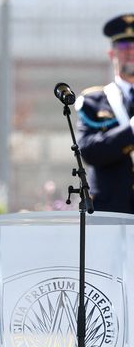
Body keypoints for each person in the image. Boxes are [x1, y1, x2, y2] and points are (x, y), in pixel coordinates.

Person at [76, 14, 134, 214]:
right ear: (112, 54)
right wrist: (131, 131)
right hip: (112, 211)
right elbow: (89, 151)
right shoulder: (94, 101)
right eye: (124, 47)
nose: (131, 52)